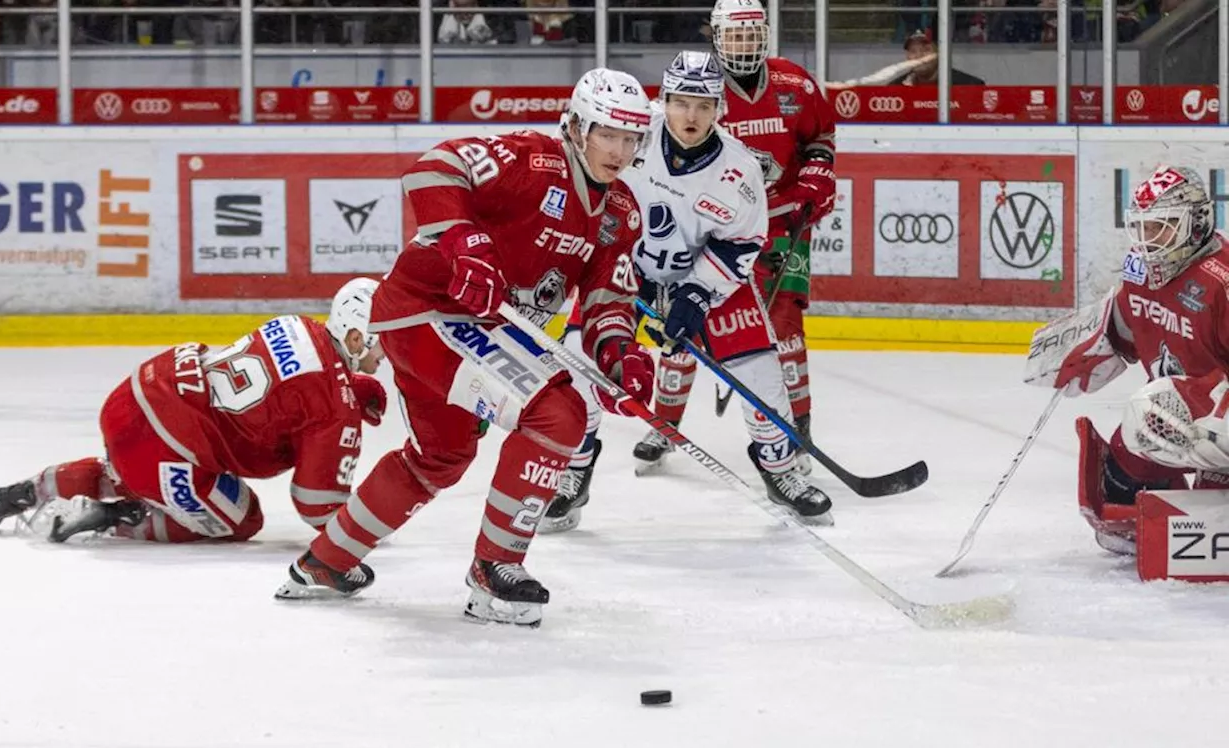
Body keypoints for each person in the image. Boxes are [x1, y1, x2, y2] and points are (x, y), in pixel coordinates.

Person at [273, 67, 655, 628]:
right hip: (431, 310)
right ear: (576, 126)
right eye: (607, 134)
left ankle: (324, 563)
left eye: (630, 138)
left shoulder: (620, 214)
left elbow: (605, 304)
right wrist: (464, 242)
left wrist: (620, 354)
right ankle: (493, 571)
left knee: (440, 457)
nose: (619, 150)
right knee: (558, 416)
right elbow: (432, 167)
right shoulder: (530, 159)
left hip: (468, 331)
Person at [539, 50, 832, 535]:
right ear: (663, 101)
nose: (690, 116)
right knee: (577, 366)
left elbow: (742, 241)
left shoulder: (739, 170)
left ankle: (780, 471)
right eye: (679, 102)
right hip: (626, 271)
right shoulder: (633, 137)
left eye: (703, 104)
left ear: (720, 108)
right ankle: (574, 471)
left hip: (708, 277)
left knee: (760, 371)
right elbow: (580, 161)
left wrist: (697, 293)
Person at [0, 279, 388, 544]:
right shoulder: (334, 406)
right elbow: (316, 507)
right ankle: (111, 518)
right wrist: (366, 524)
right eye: (382, 340)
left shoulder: (296, 323)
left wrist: (349, 390)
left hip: (136, 397)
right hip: (171, 448)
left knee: (126, 470)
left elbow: (291, 386)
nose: (387, 353)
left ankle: (11, 494)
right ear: (354, 338)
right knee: (243, 520)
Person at [635, 0, 836, 474]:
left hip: (784, 222)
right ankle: (664, 423)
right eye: (734, 36)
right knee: (682, 323)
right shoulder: (700, 87)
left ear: (764, 36)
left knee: (784, 326)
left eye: (751, 36)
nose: (743, 46)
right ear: (717, 37)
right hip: (709, 227)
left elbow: (820, 138)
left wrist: (818, 175)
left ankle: (795, 431)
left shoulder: (795, 83)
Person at [1027, 165, 1229, 555]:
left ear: (1197, 222)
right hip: (1186, 414)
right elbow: (1127, 328)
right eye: (1144, 228)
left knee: (1156, 410)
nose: (1150, 240)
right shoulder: (1141, 274)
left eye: (1163, 227)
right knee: (1123, 467)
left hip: (1217, 413)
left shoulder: (1220, 282)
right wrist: (1091, 344)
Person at [898, 29, 986, 86]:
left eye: (926, 50)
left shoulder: (970, 86)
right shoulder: (895, 88)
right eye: (913, 51)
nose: (919, 56)